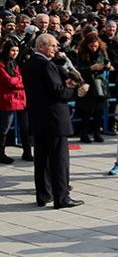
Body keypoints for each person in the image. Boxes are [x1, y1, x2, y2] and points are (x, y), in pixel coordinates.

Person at [21, 34, 88, 208]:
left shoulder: (28, 64)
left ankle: (43, 195)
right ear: (42, 46)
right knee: (59, 160)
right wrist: (74, 90)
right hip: (54, 119)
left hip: (38, 118)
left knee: (41, 160)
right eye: (52, 45)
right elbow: (58, 91)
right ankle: (62, 197)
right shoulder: (47, 65)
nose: (55, 49)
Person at [74, 31, 112, 144]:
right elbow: (78, 70)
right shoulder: (81, 53)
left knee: (99, 111)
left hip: (100, 83)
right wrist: (91, 68)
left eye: (95, 46)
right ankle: (84, 134)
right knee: (86, 112)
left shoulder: (102, 51)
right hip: (88, 84)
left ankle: (97, 133)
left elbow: (107, 62)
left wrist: (107, 65)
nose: (94, 48)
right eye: (91, 46)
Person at [0, 42, 28, 164]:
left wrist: (18, 80)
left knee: (25, 125)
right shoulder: (1, 63)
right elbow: (9, 81)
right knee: (4, 127)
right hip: (8, 99)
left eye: (16, 51)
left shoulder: (15, 63)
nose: (15, 53)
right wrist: (20, 80)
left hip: (20, 97)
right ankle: (1, 153)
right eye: (12, 50)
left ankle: (27, 151)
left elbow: (18, 79)